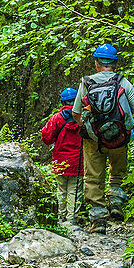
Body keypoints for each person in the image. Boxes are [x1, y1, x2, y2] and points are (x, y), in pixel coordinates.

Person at [72, 43, 134, 232]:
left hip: (93, 140)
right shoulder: (122, 81)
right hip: (119, 137)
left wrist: (87, 128)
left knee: (94, 176)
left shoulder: (86, 82)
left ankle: (98, 221)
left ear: (96, 64)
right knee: (117, 172)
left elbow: (76, 113)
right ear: (114, 64)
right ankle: (116, 204)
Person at [41, 88, 83, 225]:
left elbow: (46, 137)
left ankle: (60, 218)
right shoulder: (83, 117)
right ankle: (71, 220)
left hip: (60, 160)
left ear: (62, 102)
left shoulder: (56, 118)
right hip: (78, 161)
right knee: (74, 191)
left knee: (61, 191)